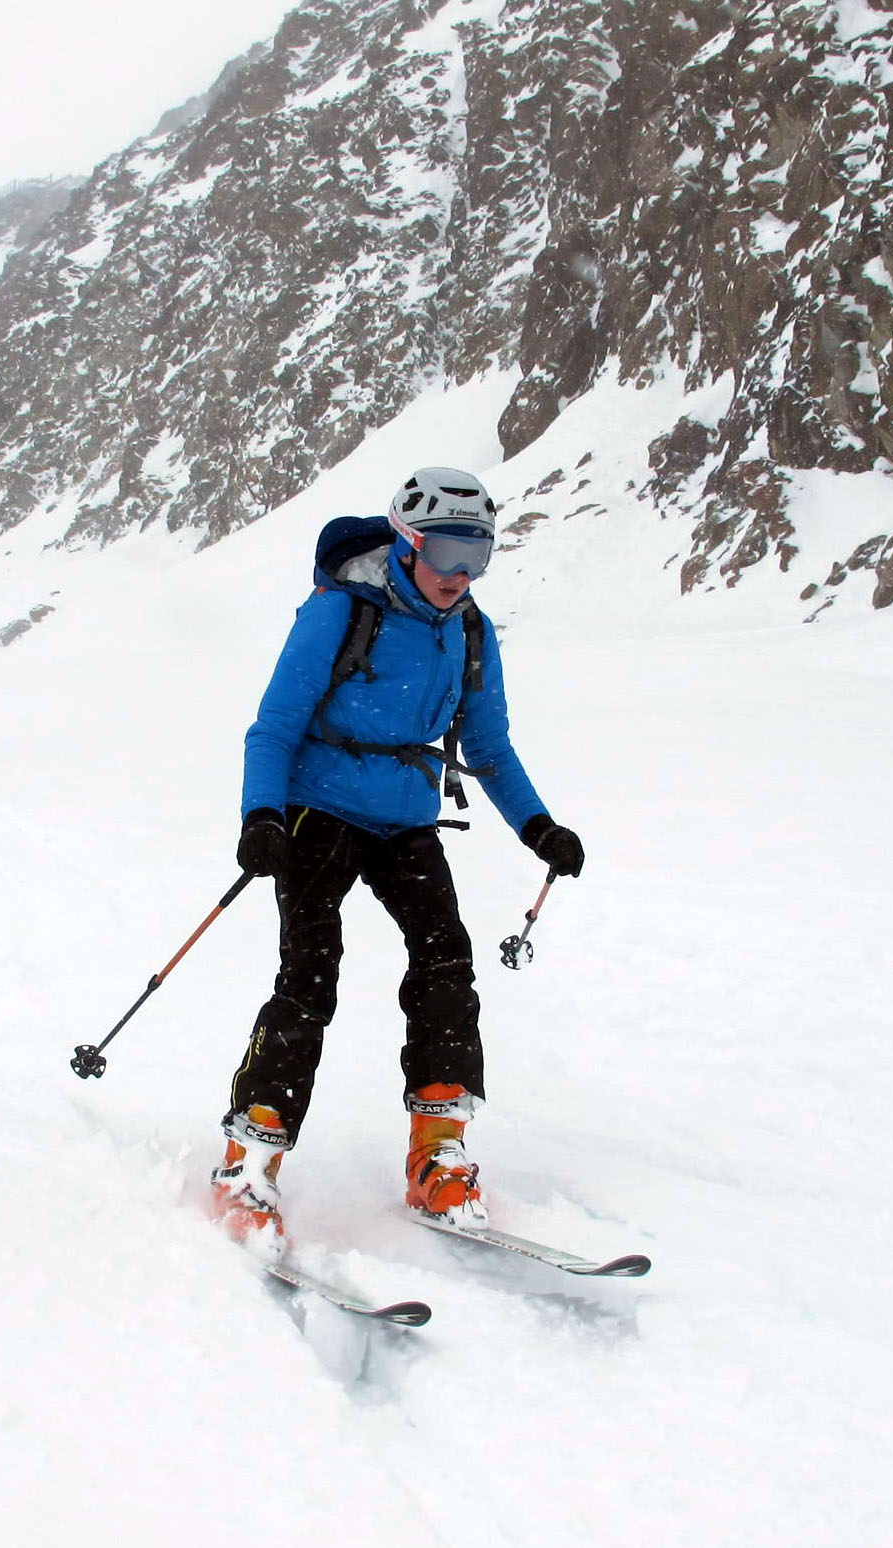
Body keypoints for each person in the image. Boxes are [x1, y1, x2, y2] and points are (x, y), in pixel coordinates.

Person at [212, 467, 585, 1255]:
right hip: (319, 808)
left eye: (478, 554)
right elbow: (273, 726)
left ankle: (436, 1152)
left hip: (406, 816)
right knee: (310, 973)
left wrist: (539, 828)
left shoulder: (472, 632)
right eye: (449, 550)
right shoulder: (339, 610)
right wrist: (262, 817)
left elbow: (488, 747)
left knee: (446, 959)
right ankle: (250, 1158)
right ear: (408, 542)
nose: (461, 574)